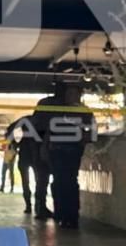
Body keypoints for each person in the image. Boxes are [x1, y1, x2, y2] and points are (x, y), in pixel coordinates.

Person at [32, 81, 95, 230]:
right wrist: (45, 147)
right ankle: (61, 213)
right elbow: (49, 131)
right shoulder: (59, 110)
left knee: (70, 182)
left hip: (72, 150)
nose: (70, 96)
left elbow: (91, 131)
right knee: (59, 182)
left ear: (79, 96)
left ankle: (71, 216)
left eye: (73, 94)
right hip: (57, 150)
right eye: (68, 93)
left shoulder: (84, 112)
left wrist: (82, 140)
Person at [7, 116, 39, 215]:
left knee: (26, 182)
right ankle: (38, 206)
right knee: (38, 182)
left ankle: (29, 206)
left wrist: (14, 144)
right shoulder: (36, 121)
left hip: (25, 155)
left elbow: (9, 130)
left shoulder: (25, 121)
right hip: (34, 156)